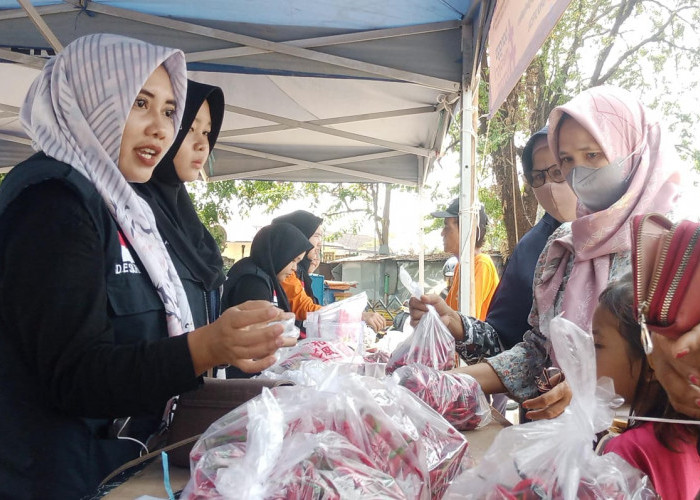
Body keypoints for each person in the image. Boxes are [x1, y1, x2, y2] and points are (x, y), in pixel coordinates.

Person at [0, 34, 292, 498]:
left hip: (112, 467)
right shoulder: (53, 202)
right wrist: (206, 347)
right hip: (50, 478)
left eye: (168, 110)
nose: (162, 128)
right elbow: (73, 374)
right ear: (91, 100)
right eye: (141, 103)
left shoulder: (122, 208)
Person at [410, 85, 681, 420]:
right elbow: (538, 352)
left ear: (633, 148)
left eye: (592, 154)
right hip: (558, 449)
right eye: (567, 160)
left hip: (652, 454)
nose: (578, 172)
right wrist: (441, 382)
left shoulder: (677, 246)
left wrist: (591, 393)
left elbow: (682, 366)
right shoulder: (562, 246)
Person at [594, 275, 700, 499]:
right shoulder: (690, 436)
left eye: (597, 344)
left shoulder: (625, 454)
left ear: (654, 361)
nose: (589, 355)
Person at [135, 79, 226, 329]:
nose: (202, 145)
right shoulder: (129, 212)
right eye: (189, 129)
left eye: (206, 132)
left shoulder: (183, 217)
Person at [485, 126, 577, 351]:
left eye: (559, 170)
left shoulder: (637, 240)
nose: (550, 185)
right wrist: (457, 326)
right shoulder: (533, 248)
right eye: (538, 176)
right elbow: (507, 339)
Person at [273, 209, 387, 333]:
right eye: (316, 236)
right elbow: (306, 309)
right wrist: (356, 316)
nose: (319, 244)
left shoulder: (300, 273)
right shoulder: (285, 272)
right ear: (299, 236)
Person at [432, 199, 499, 321]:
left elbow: (468, 322)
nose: (442, 233)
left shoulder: (481, 264)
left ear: (466, 228)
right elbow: (449, 312)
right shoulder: (461, 266)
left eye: (447, 226)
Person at [222, 222, 312, 311]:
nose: (295, 268)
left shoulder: (265, 277)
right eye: (293, 260)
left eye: (298, 262)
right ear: (279, 253)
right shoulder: (254, 282)